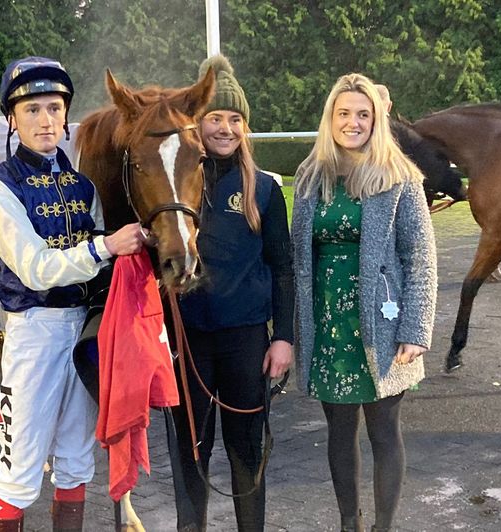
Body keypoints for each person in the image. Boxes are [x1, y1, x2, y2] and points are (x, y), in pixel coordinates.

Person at [0, 56, 147, 532]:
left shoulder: (83, 187)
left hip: (83, 335)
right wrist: (107, 246)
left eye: (54, 108)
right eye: (32, 110)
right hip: (34, 334)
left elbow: (107, 268)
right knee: (19, 472)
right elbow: (34, 269)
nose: (45, 120)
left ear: (66, 114)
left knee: (75, 461)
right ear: (12, 119)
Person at [292, 74, 437, 532]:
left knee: (383, 431)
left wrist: (416, 329)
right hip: (328, 323)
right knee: (338, 431)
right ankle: (348, 523)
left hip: (382, 325)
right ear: (330, 119)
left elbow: (421, 258)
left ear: (376, 119)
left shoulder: (400, 178)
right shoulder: (310, 177)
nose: (352, 123)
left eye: (362, 114)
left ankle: (383, 527)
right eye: (344, 113)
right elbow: (299, 257)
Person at [172, 55, 294, 532]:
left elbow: (283, 268)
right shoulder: (177, 186)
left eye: (235, 119)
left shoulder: (264, 189)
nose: (225, 128)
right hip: (189, 340)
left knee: (245, 448)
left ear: (245, 127)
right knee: (191, 450)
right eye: (215, 118)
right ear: (197, 125)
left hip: (246, 340)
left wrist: (283, 338)